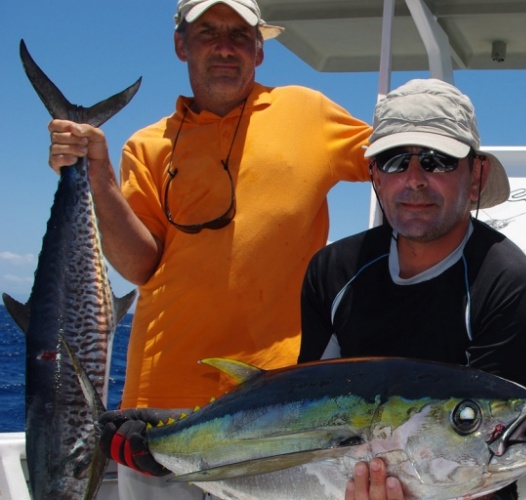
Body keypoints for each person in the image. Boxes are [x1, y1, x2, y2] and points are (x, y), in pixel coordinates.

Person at [47, 0, 371, 497]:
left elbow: (397, 167)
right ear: (181, 45)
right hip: (161, 405)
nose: (225, 47)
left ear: (260, 49)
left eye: (240, 35)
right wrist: (97, 175)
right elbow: (139, 263)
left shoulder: (308, 112)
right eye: (208, 33)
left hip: (276, 404)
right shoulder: (147, 145)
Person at [298, 78, 526, 500]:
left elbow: (488, 448)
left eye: (438, 160)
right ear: (374, 174)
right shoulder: (332, 270)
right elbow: (303, 415)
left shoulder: (504, 279)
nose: (414, 179)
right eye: (395, 161)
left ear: (476, 173)